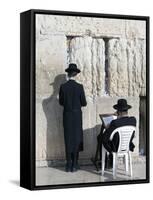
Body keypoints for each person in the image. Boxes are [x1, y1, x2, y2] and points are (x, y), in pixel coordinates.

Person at [59, 63, 87, 172]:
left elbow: (61, 102)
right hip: (77, 116)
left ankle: (68, 164)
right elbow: (84, 103)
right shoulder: (80, 87)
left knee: (68, 138)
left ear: (68, 74)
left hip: (67, 115)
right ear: (75, 74)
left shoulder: (63, 87)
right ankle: (75, 164)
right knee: (76, 138)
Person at [101, 99, 136, 168]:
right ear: (127, 110)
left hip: (115, 147)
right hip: (127, 146)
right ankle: (111, 161)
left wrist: (108, 128)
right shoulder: (133, 120)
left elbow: (104, 139)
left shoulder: (114, 123)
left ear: (118, 112)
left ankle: (107, 161)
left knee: (101, 138)